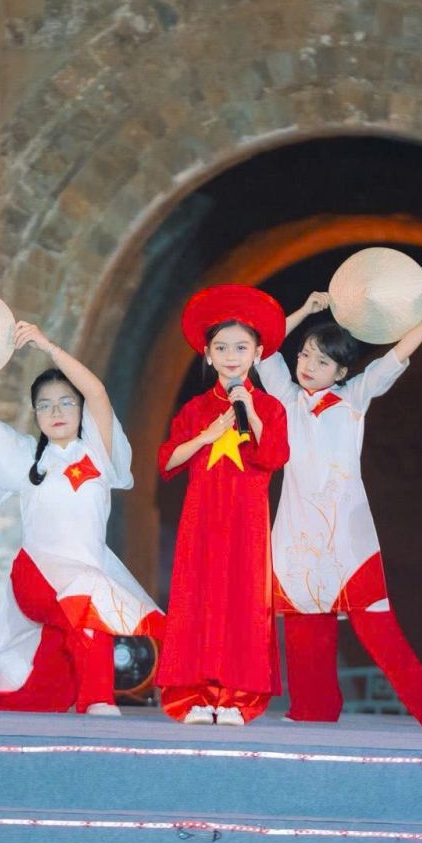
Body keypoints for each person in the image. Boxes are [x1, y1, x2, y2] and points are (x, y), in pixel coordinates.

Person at [0, 321, 160, 714]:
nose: (55, 411)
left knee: (45, 692)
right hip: (37, 575)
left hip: (81, 580)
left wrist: (47, 347)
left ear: (81, 409)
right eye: (44, 405)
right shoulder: (26, 456)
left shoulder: (98, 453)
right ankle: (97, 698)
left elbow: (97, 391)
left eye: (66, 402)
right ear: (36, 414)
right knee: (92, 594)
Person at [257, 288, 422, 724]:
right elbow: (264, 347)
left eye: (323, 362)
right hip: (298, 534)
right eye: (305, 355)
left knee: (377, 626)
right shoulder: (285, 398)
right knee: (305, 627)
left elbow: (395, 356)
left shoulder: (354, 397)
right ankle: (313, 709)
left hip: (347, 535)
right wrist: (304, 309)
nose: (308, 366)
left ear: (342, 371)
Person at [156, 285, 290, 726]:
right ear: (208, 355)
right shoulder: (195, 409)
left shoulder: (269, 408)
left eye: (241, 347)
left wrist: (250, 411)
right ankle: (194, 694)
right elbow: (167, 461)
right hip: (201, 520)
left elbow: (275, 456)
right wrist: (206, 436)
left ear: (258, 353)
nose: (231, 356)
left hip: (247, 522)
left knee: (242, 602)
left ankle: (236, 697)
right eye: (221, 347)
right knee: (198, 598)